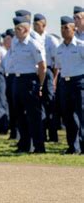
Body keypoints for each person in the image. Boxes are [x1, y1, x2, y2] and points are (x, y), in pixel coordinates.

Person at [10, 16, 46, 153]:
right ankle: (24, 145)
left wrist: (40, 85)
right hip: (17, 79)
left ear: (26, 29)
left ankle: (39, 146)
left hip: (30, 80)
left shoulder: (33, 44)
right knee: (19, 116)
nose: (16, 32)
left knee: (33, 116)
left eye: (18, 29)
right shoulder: (14, 42)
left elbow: (42, 66)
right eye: (15, 29)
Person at [55, 16, 84, 154]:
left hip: (79, 82)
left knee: (82, 115)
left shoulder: (80, 46)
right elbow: (58, 67)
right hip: (65, 83)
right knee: (68, 116)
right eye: (62, 28)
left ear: (74, 29)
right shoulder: (59, 48)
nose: (63, 30)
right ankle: (73, 147)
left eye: (66, 28)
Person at [33, 13, 59, 142]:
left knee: (50, 104)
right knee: (39, 104)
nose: (35, 27)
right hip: (36, 72)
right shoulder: (33, 39)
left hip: (48, 71)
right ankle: (41, 134)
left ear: (44, 25)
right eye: (34, 24)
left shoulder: (50, 40)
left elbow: (56, 62)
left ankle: (53, 135)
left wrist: (54, 78)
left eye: (37, 24)